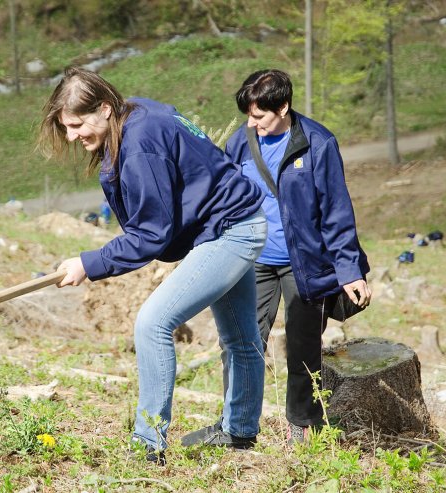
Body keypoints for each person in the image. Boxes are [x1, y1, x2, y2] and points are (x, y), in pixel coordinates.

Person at [39, 67, 267, 464]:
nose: (74, 135)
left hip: (229, 231)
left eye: (77, 124)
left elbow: (151, 234)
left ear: (105, 108)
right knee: (241, 337)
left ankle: (148, 445)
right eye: (67, 127)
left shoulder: (141, 141)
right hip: (235, 222)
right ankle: (240, 432)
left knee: (153, 323)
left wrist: (89, 264)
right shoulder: (137, 112)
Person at [185, 69, 371, 447]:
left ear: (283, 106)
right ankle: (236, 427)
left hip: (304, 263)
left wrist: (349, 270)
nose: (252, 124)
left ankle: (302, 428)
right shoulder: (241, 142)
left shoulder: (318, 143)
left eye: (259, 116)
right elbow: (222, 198)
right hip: (251, 258)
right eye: (249, 116)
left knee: (303, 348)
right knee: (240, 342)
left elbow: (336, 209)